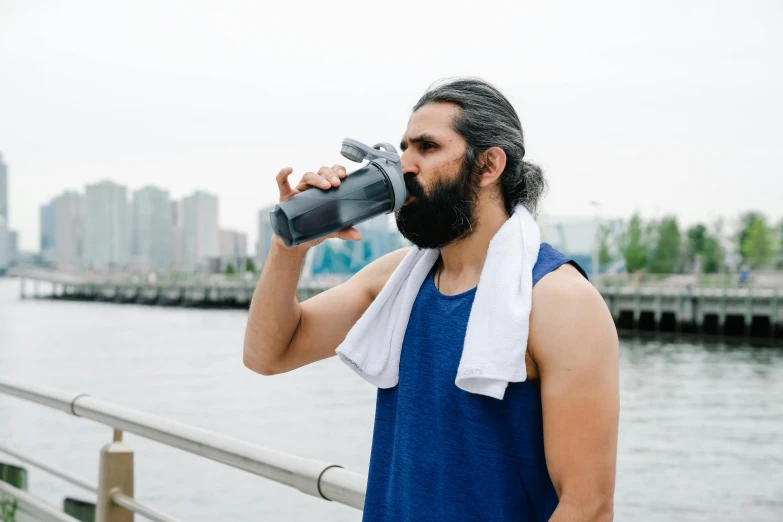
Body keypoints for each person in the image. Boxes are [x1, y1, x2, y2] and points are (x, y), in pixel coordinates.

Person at [243, 77, 619, 522]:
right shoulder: (397, 279)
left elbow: (587, 507)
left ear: (488, 166)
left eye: (427, 147)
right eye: (404, 148)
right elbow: (268, 355)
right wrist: (290, 245)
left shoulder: (558, 300)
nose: (405, 165)